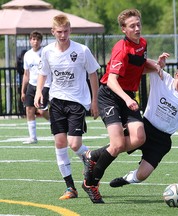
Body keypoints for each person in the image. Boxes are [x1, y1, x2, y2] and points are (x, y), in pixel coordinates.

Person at [80, 8, 168, 204]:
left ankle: (93, 155)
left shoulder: (142, 44)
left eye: (138, 24)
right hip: (110, 96)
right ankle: (91, 183)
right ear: (123, 29)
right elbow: (111, 80)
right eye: (132, 26)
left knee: (139, 138)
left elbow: (138, 67)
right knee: (118, 144)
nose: (137, 29)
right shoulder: (121, 48)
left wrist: (156, 65)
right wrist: (127, 99)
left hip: (126, 95)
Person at [108, 63, 178, 188]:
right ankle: (93, 159)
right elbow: (141, 67)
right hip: (145, 129)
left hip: (162, 141)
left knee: (142, 176)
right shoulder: (162, 77)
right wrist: (156, 64)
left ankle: (126, 179)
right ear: (177, 75)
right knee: (116, 147)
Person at [34, 14, 100, 200]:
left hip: (77, 102)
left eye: (66, 31)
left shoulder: (81, 50)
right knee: (60, 142)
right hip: (56, 102)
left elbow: (93, 74)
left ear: (70, 30)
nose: (63, 35)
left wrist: (94, 101)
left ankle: (90, 160)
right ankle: (70, 188)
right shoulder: (47, 51)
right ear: (53, 32)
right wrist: (39, 91)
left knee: (75, 144)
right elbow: (43, 73)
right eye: (59, 32)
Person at [21, 31, 50, 144]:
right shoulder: (27, 55)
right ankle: (33, 137)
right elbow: (26, 74)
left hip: (43, 85)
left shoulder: (45, 53)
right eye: (33, 39)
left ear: (40, 41)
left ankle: (56, 125)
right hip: (32, 86)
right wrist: (23, 91)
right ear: (30, 40)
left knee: (42, 111)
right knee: (29, 109)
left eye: (37, 40)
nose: (35, 42)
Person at [16, 49, 27, 116]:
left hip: (28, 83)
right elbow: (21, 71)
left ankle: (27, 111)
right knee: (21, 97)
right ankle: (21, 111)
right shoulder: (19, 62)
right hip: (20, 82)